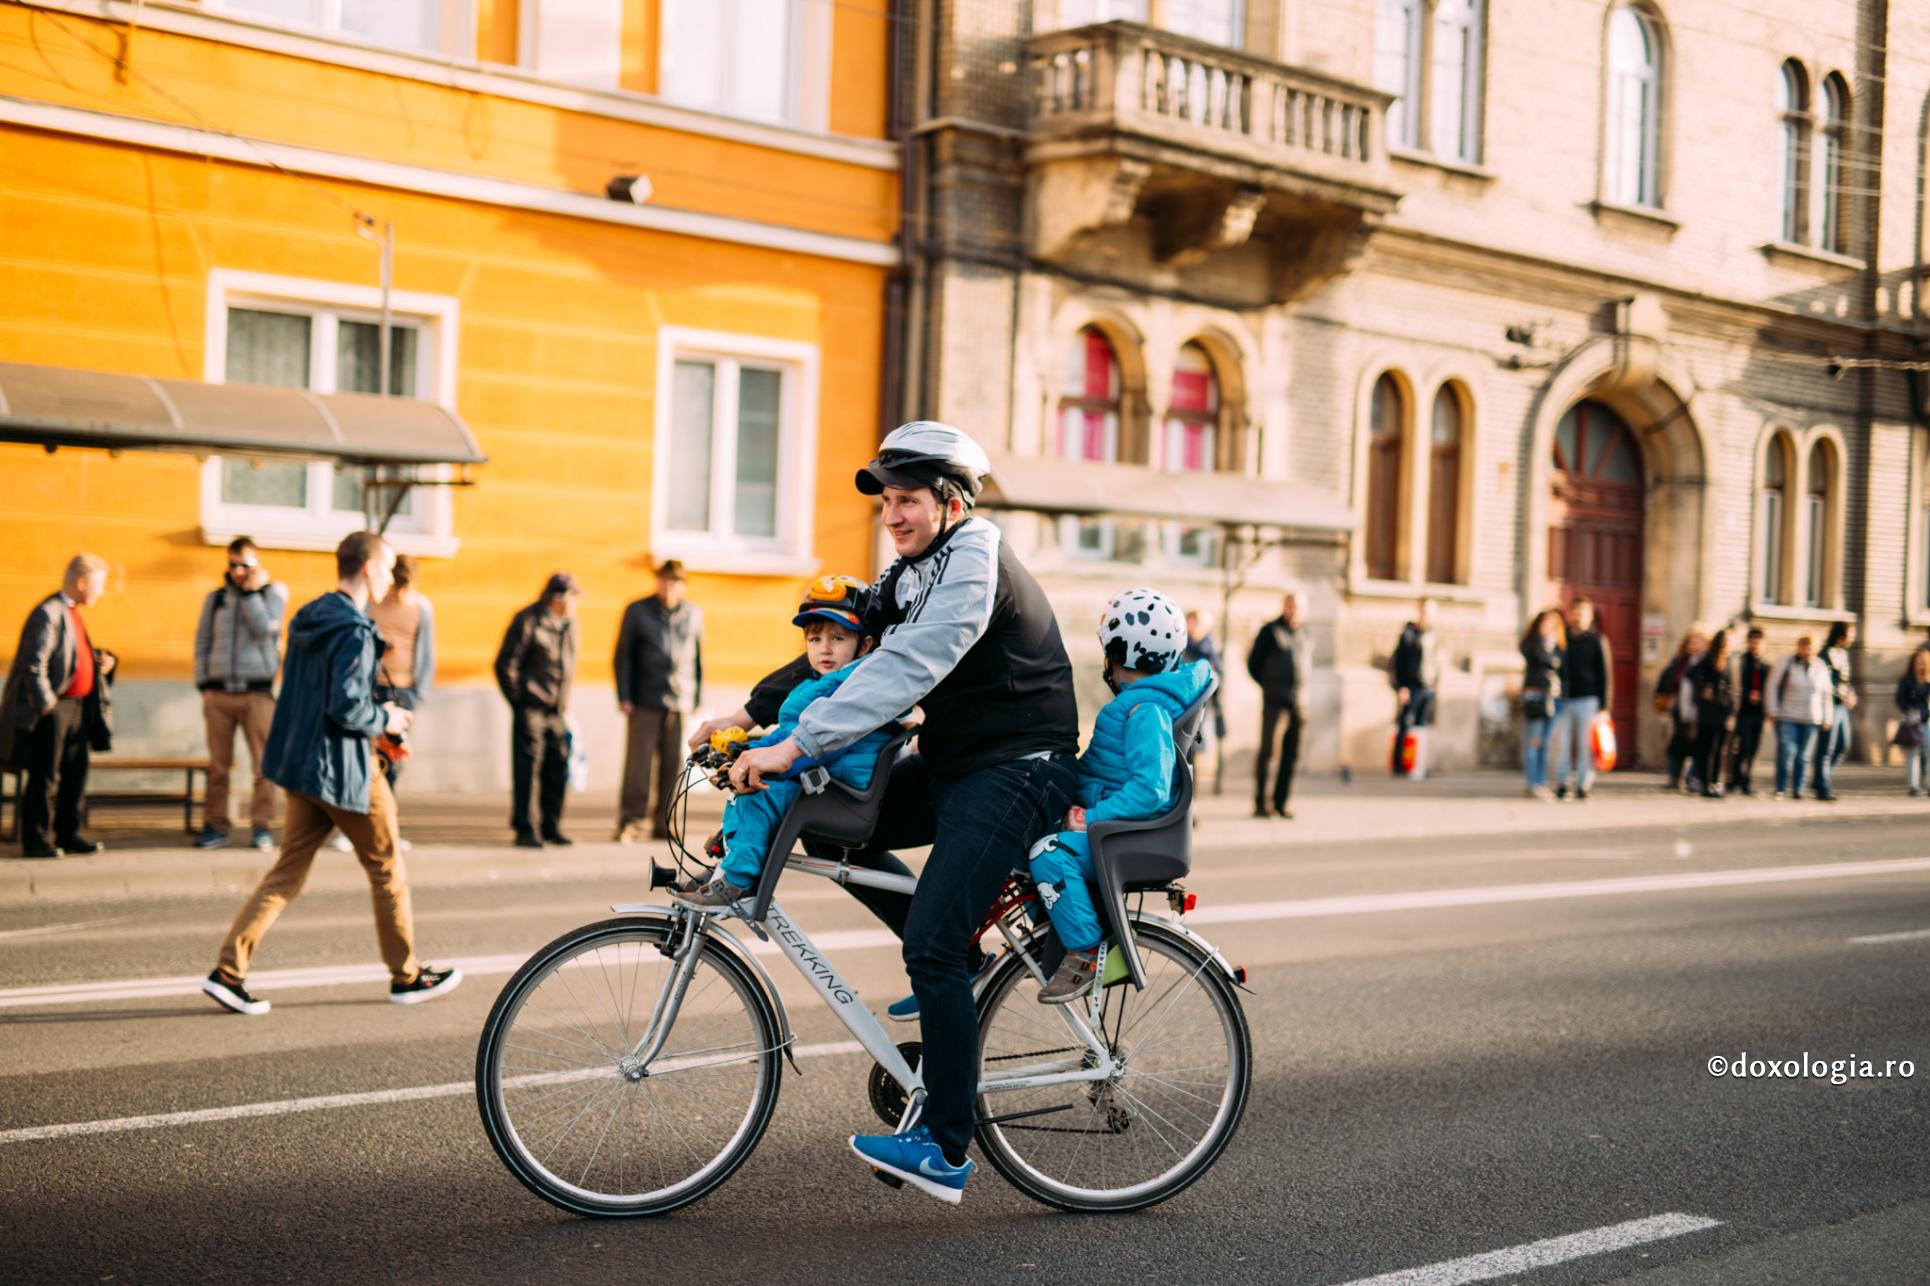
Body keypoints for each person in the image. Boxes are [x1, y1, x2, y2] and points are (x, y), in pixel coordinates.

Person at [723, 421, 1079, 1205]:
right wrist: (748, 718)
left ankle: (946, 1145)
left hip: (1019, 769)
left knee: (933, 945)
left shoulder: (973, 562)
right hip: (958, 766)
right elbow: (850, 641)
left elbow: (911, 662)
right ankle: (961, 958)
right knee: (823, 815)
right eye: (887, 501)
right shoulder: (912, 570)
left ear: (951, 503)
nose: (892, 515)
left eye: (908, 500)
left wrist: (799, 744)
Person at [202, 532, 461, 1016]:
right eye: (385, 567)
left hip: (302, 767)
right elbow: (346, 707)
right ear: (366, 568)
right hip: (347, 772)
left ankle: (228, 970)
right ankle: (407, 977)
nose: (389, 576)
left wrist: (372, 711)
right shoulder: (354, 629)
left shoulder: (310, 615)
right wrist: (386, 718)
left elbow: (319, 696)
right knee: (387, 871)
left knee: (286, 872)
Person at [1029, 590, 1212, 1002]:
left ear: (1122, 654)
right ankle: (1051, 934)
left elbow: (1151, 789)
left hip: (1125, 835)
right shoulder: (1140, 705)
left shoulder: (1144, 711)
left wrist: (1090, 818)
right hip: (1116, 830)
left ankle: (1086, 952)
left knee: (1048, 854)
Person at [676, 577, 892, 907]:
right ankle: (731, 863)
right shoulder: (827, 680)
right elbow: (791, 735)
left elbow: (822, 741)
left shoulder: (850, 686)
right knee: (747, 785)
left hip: (839, 782)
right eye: (815, 638)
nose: (826, 648)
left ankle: (737, 880)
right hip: (821, 770)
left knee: (758, 794)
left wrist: (762, 760)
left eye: (838, 638)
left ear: (864, 645)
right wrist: (746, 750)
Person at [1, 554, 114, 858]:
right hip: (55, 708)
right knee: (45, 776)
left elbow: (69, 656)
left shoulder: (73, 611)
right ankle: (36, 840)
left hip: (78, 707)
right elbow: (33, 665)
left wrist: (99, 661)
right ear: (81, 582)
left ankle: (68, 833)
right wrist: (47, 706)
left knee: (75, 773)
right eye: (99, 584)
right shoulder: (48, 612)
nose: (102, 591)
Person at [192, 538, 288, 851]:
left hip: (256, 692)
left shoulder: (273, 593)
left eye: (244, 565)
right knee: (218, 766)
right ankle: (216, 825)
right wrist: (204, 684)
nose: (237, 571)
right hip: (218, 693)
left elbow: (264, 630)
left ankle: (262, 826)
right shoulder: (216, 599)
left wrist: (250, 594)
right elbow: (202, 642)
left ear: (256, 564)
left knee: (264, 766)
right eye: (232, 565)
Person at [614, 560, 703, 842]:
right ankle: (631, 820)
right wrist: (624, 696)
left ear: (683, 584)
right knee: (638, 767)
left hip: (679, 699)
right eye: (665, 579)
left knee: (673, 766)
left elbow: (699, 657)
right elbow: (623, 656)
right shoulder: (638, 610)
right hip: (644, 699)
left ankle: (664, 822)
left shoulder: (693, 613)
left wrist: (697, 697)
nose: (669, 585)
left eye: (675, 581)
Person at [495, 573, 581, 848]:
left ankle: (550, 825)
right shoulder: (528, 620)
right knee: (527, 769)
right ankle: (525, 828)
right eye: (572, 597)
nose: (576, 603)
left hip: (557, 709)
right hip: (531, 707)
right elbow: (505, 664)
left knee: (557, 765)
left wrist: (564, 698)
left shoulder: (569, 624)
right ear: (557, 598)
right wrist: (520, 700)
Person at [1245, 592, 1310, 817]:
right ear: (1285, 607)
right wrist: (1269, 685)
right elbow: (1253, 663)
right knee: (1268, 753)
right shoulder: (1271, 631)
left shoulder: (1306, 633)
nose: (1295, 611)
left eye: (1299, 607)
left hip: (1299, 701)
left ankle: (1281, 803)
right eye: (1291, 606)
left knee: (1292, 756)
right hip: (1275, 701)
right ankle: (1261, 803)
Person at [1552, 596, 1611, 801]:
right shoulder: (1562, 639)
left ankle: (1584, 783)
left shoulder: (1596, 641)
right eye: (1575, 612)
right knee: (1563, 743)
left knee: (1586, 745)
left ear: (1589, 616)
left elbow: (1605, 674)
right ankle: (1563, 782)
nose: (1578, 617)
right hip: (1565, 699)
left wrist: (1604, 706)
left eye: (1582, 613)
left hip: (1588, 700)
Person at [1767, 634, 1832, 800]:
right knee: (1787, 750)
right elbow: (1772, 685)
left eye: (1810, 646)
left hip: (1812, 717)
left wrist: (1827, 717)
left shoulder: (1820, 666)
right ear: (1798, 647)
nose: (1807, 650)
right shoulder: (1787, 663)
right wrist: (1772, 710)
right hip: (1787, 714)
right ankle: (1780, 787)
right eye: (1804, 646)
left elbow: (1826, 694)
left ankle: (1798, 789)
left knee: (1803, 756)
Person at [1387, 598, 1439, 777]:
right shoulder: (1408, 633)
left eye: (1431, 612)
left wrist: (1435, 683)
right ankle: (1399, 766)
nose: (1427, 616)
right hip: (1411, 686)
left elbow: (1434, 662)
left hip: (1427, 687)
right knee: (1405, 726)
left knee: (1420, 727)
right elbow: (1398, 662)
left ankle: (1417, 765)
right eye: (1425, 611)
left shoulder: (1433, 634)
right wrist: (1400, 687)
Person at [1519, 608, 1565, 801]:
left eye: (1551, 624)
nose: (1547, 627)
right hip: (1535, 697)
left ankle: (1542, 783)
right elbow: (1540, 660)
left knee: (1545, 744)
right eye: (1544, 623)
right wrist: (1543, 643)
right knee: (1533, 742)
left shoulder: (1558, 647)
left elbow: (1560, 668)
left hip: (1553, 698)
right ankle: (1532, 784)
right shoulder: (1532, 644)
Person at [1811, 621, 1856, 802]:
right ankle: (1822, 787)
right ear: (1841, 635)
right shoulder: (1825, 654)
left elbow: (1845, 681)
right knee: (1826, 748)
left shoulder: (1844, 654)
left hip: (1842, 705)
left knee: (1843, 744)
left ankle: (1821, 778)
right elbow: (1827, 682)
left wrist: (1851, 694)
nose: (1852, 638)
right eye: (1850, 634)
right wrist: (1841, 694)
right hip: (1829, 705)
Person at [1655, 630, 1706, 791]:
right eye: (1691, 642)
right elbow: (1667, 679)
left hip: (1697, 710)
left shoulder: (1704, 663)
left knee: (1695, 745)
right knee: (1676, 744)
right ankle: (1674, 777)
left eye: (1697, 642)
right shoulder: (1678, 661)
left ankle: (1691, 778)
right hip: (1677, 708)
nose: (1693, 645)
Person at [1690, 629, 1736, 799]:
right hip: (1708, 711)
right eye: (1724, 641)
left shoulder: (1731, 661)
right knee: (1706, 749)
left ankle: (1716, 783)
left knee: (1720, 750)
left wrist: (1732, 712)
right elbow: (1692, 674)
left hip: (1723, 711)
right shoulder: (1708, 659)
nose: (1727, 645)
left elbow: (1733, 688)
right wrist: (1703, 688)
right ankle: (1705, 783)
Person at [1181, 609, 1225, 770]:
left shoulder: (1210, 648)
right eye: (1191, 622)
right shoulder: (1180, 645)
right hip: (1182, 702)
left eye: (1197, 623)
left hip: (1203, 704)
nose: (1194, 627)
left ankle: (1193, 788)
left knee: (1195, 747)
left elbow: (1218, 674)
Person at [1729, 627, 1771, 796]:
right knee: (1742, 746)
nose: (1755, 645)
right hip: (1744, 711)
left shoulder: (1766, 666)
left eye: (1758, 642)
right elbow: (1736, 684)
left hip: (1759, 712)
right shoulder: (1741, 662)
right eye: (1753, 642)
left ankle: (1746, 779)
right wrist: (1748, 694)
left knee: (1753, 748)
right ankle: (1735, 779)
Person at [1895, 649, 1930, 797]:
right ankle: (1913, 786)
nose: (1920, 666)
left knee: (1929, 752)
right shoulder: (1907, 680)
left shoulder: (1928, 681)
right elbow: (1899, 698)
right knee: (1913, 754)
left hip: (1927, 720)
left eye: (1923, 663)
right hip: (1912, 722)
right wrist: (1908, 709)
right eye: (1917, 663)